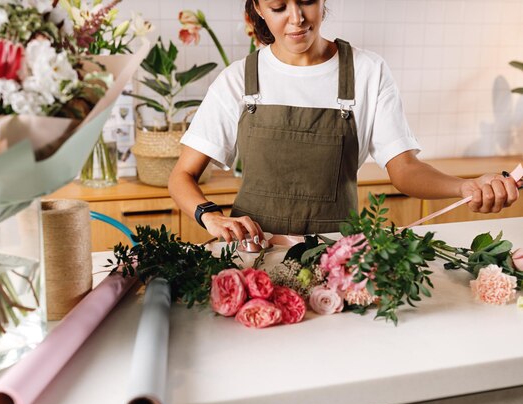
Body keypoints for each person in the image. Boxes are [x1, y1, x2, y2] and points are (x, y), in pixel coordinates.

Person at [168, 0, 521, 246]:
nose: (297, 18)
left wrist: (464, 187)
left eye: (307, 1)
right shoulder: (238, 80)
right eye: (278, 7)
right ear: (257, 8)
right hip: (254, 254)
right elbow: (182, 175)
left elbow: (404, 168)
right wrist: (210, 216)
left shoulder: (368, 71)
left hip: (339, 257)